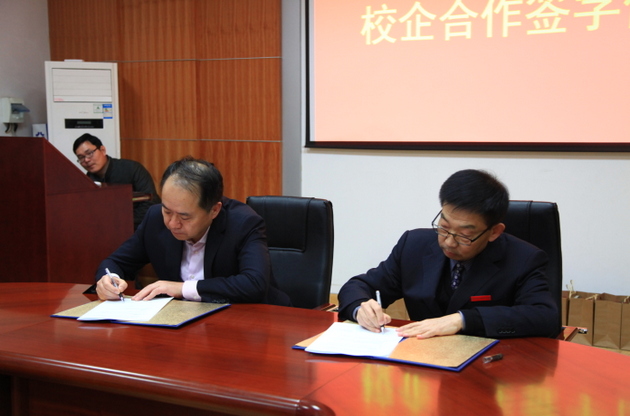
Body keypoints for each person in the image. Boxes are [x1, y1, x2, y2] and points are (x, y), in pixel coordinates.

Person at [337, 169, 559, 339]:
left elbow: (545, 317)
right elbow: (359, 285)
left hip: (487, 367)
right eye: (444, 227)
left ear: (494, 232)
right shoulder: (414, 245)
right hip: (421, 361)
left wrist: (462, 320)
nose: (449, 241)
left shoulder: (524, 259)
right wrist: (360, 308)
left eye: (464, 235)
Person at [94, 156, 291, 306]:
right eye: (167, 211)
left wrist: (182, 289)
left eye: (184, 217)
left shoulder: (243, 223)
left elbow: (253, 284)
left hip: (248, 323)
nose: (172, 223)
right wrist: (108, 280)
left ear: (214, 210)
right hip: (180, 323)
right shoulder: (155, 218)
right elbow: (115, 262)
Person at [73, 133, 160, 229]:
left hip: (139, 228)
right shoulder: (87, 181)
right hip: (107, 230)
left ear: (102, 150)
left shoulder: (132, 168)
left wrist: (120, 223)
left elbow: (151, 202)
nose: (86, 160)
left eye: (89, 153)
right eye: (81, 157)